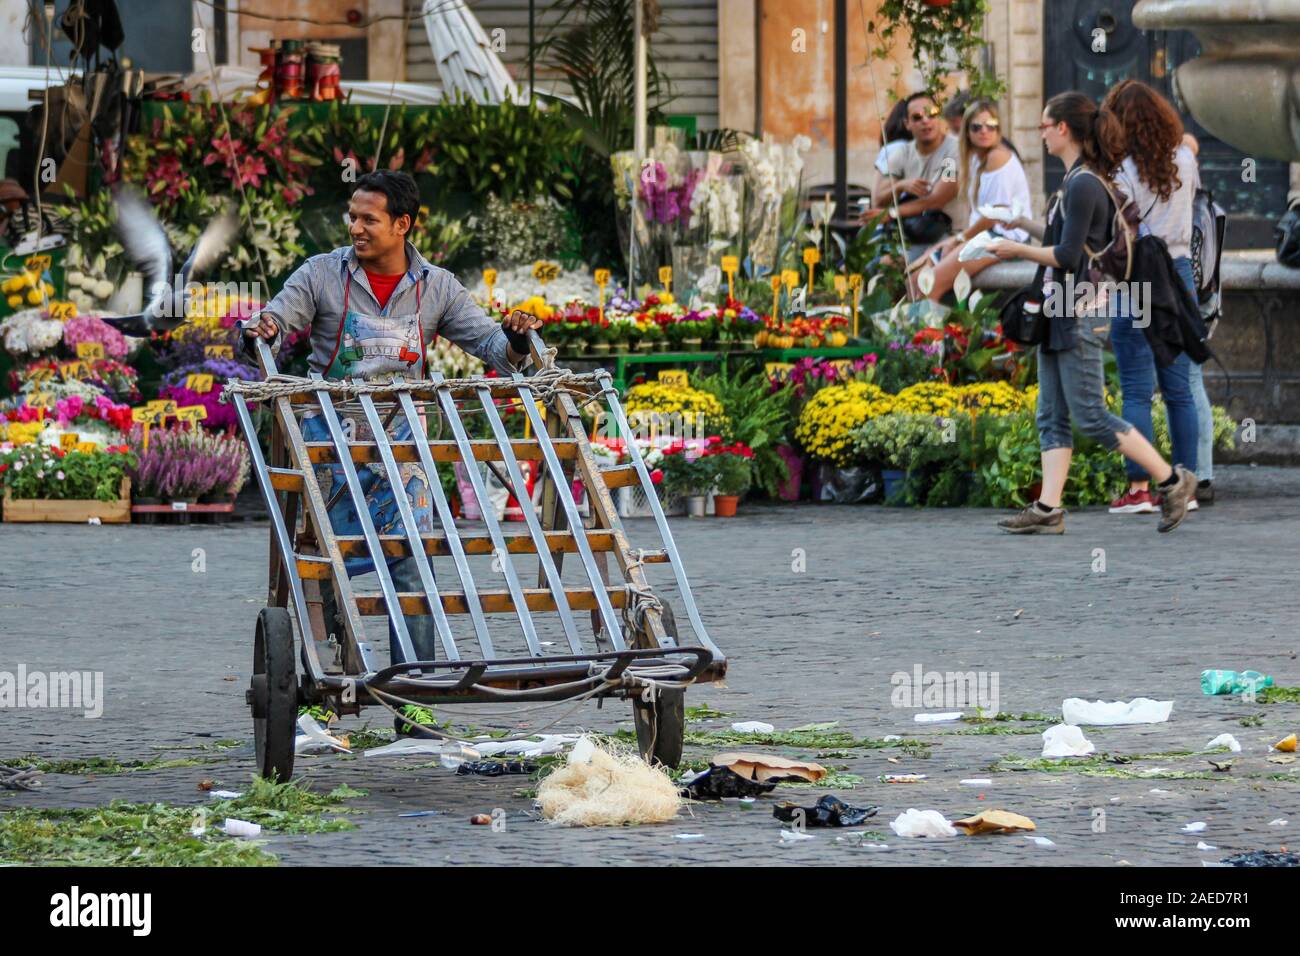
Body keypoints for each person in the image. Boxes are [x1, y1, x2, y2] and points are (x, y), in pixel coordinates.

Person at [242, 170, 541, 731]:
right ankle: (327, 675)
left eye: (368, 218)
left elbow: (494, 350)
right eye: (352, 216)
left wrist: (518, 336)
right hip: (329, 432)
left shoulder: (437, 287)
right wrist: (265, 328)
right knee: (324, 559)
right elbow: (280, 319)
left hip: (404, 439)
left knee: (413, 560)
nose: (355, 227)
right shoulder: (322, 274)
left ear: (402, 225)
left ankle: (414, 692)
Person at [985, 91, 1197, 534]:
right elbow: (1067, 245)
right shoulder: (1079, 180)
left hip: (1075, 310)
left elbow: (1065, 255)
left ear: (1063, 129)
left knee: (1091, 416)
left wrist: (1013, 248)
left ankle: (1172, 481)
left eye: (1044, 126)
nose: (1040, 135)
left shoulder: (1083, 183)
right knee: (1051, 413)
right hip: (1058, 308)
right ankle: (1047, 509)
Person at [1099, 79, 1202, 515]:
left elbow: (1122, 229)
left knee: (1136, 389)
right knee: (1179, 390)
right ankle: (1187, 487)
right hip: (1178, 273)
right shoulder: (1184, 158)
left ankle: (1139, 488)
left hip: (1137, 271)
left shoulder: (1120, 169)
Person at [908, 99, 1032, 301]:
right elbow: (945, 181)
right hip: (967, 233)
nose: (984, 131)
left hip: (980, 233)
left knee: (928, 284)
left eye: (990, 126)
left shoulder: (985, 154)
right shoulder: (962, 154)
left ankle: (931, 331)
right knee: (914, 280)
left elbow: (942, 195)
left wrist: (958, 238)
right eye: (976, 127)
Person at [860, 91, 963, 257]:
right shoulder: (903, 152)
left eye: (931, 114)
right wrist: (901, 186)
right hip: (912, 235)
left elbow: (938, 199)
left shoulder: (952, 151)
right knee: (858, 262)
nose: (925, 120)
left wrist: (892, 213)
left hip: (949, 236)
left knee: (891, 264)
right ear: (907, 124)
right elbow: (878, 199)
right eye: (917, 117)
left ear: (939, 118)